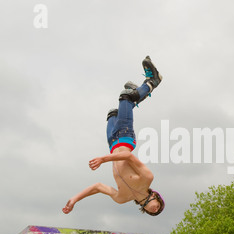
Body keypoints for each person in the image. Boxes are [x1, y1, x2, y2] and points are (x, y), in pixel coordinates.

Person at [62, 56, 165, 216]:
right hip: (125, 138)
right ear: (155, 196)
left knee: (112, 113)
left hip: (112, 142)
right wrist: (103, 160)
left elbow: (98, 187)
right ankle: (152, 82)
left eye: (153, 212)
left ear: (143, 209)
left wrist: (74, 199)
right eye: (158, 207)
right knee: (125, 97)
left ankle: (134, 92)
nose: (154, 209)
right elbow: (128, 157)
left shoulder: (121, 198)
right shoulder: (147, 178)